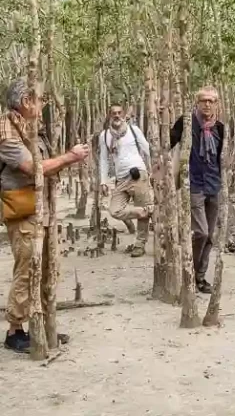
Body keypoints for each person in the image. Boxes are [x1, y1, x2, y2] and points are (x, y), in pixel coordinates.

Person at [1, 78, 89, 353]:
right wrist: (70, 158)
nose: (43, 104)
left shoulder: (31, 127)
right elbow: (31, 167)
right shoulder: (6, 131)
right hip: (24, 210)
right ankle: (15, 331)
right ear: (26, 101)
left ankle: (41, 323)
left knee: (48, 268)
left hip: (43, 209)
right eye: (40, 99)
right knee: (27, 270)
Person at [170, 86, 224, 294]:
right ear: (197, 102)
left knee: (210, 234)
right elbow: (168, 142)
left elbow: (221, 155)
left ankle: (200, 278)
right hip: (193, 184)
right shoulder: (185, 122)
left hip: (214, 184)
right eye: (203, 100)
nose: (207, 104)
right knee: (200, 232)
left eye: (211, 101)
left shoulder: (220, 127)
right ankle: (189, 272)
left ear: (216, 104)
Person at [99, 104, 152, 258]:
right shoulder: (105, 135)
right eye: (113, 113)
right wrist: (103, 181)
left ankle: (140, 245)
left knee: (142, 205)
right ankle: (148, 211)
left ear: (123, 114)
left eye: (119, 113)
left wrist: (157, 169)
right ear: (109, 116)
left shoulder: (133, 130)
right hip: (120, 178)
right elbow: (104, 159)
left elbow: (147, 148)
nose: (116, 115)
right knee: (114, 210)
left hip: (138, 174)